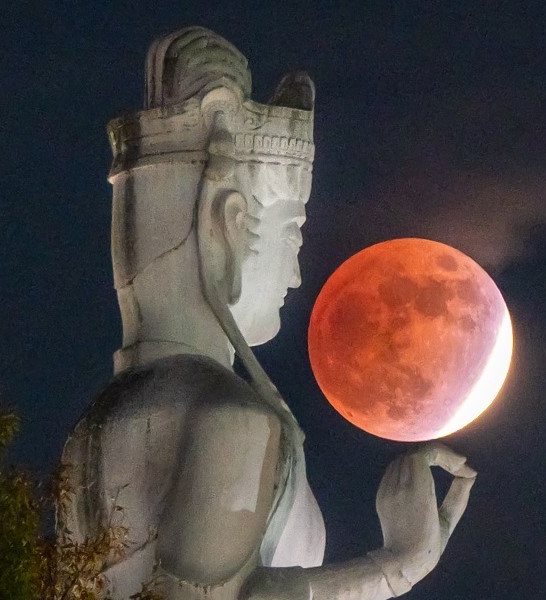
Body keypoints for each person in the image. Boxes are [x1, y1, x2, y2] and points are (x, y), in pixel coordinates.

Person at [59, 27, 476, 600]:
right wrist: (399, 563)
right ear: (228, 223)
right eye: (293, 234)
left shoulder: (98, 421)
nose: (297, 275)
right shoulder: (232, 416)